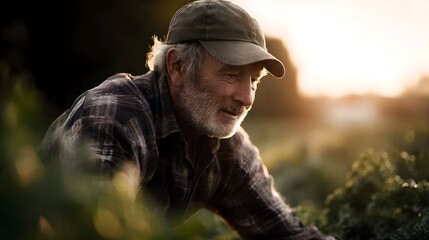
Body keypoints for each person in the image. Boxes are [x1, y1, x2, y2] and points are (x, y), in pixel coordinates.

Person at [39, 0, 334, 239]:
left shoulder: (229, 152)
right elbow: (96, 231)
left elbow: (287, 234)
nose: (247, 97)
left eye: (254, 80)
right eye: (231, 75)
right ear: (177, 65)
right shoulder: (114, 118)